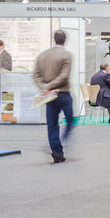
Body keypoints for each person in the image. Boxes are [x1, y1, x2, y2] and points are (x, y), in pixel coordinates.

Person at [33, 30, 74, 162]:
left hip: (49, 95)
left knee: (52, 124)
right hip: (63, 93)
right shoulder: (66, 55)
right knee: (70, 120)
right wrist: (51, 85)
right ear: (65, 40)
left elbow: (36, 75)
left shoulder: (42, 55)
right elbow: (64, 75)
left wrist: (44, 87)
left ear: (54, 39)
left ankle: (57, 152)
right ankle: (64, 139)